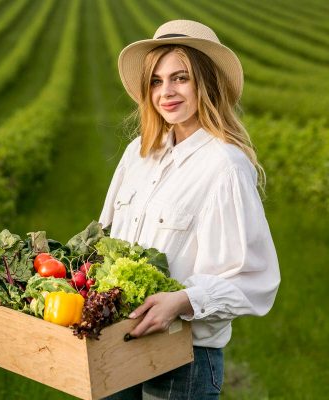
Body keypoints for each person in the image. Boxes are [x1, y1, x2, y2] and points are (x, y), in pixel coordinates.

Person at [98, 20, 281, 399]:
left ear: (205, 83)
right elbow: (105, 238)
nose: (166, 92)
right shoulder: (139, 154)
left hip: (183, 361)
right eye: (156, 81)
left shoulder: (224, 165)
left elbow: (255, 278)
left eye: (180, 78)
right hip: (116, 344)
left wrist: (184, 300)